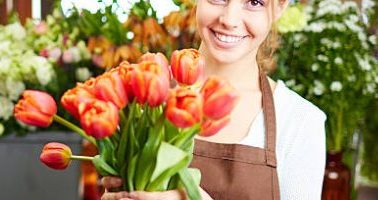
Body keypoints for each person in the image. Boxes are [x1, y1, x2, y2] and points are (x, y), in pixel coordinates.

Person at [102, 0, 326, 199]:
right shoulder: (141, 93)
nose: (229, 19)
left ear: (280, 7)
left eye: (255, 2)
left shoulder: (300, 121)